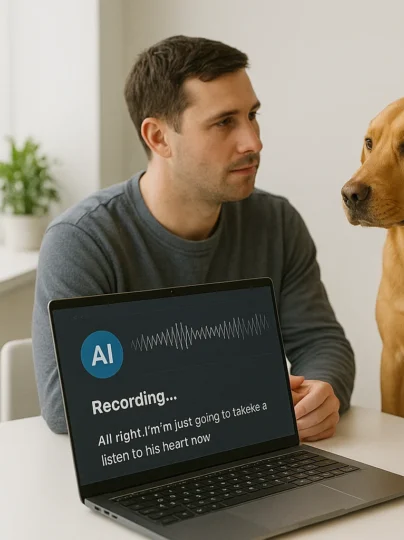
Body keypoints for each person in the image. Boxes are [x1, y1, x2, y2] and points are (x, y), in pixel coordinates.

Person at [32, 35, 355, 442]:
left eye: (252, 115)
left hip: (251, 455)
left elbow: (321, 342)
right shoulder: (81, 242)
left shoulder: (277, 222)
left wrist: (323, 392)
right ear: (159, 138)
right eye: (224, 122)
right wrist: (245, 401)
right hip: (142, 465)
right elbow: (67, 405)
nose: (253, 142)